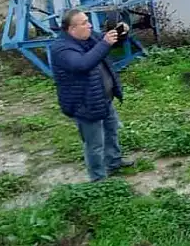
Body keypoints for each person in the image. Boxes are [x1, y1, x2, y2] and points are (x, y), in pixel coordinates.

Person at [52, 9, 134, 182]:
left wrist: (122, 33)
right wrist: (104, 43)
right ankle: (99, 180)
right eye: (84, 23)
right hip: (85, 103)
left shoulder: (90, 37)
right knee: (95, 144)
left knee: (111, 131)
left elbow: (110, 43)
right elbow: (83, 64)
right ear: (71, 29)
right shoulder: (61, 48)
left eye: (87, 21)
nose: (89, 25)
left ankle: (114, 162)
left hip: (103, 98)